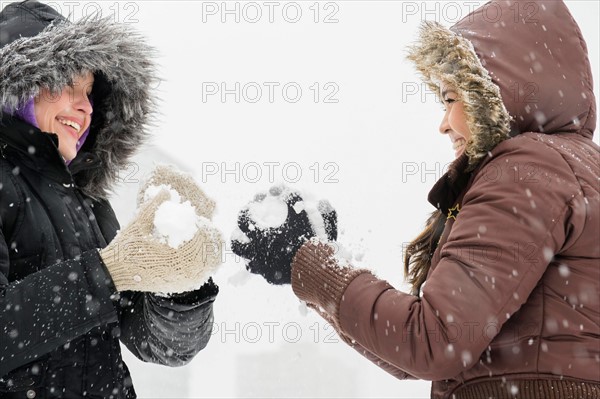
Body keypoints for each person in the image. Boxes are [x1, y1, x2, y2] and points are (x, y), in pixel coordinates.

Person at [232, 1, 600, 398]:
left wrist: (309, 261)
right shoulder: (573, 169)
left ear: (495, 92)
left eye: (450, 99)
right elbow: (423, 353)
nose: (442, 124)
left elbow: (433, 341)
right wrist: (314, 266)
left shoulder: (527, 169)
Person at [0, 1, 223, 398]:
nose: (85, 106)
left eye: (88, 91)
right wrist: (110, 270)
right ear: (17, 90)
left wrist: (181, 279)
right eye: (67, 85)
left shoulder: (86, 200)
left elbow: (161, 346)